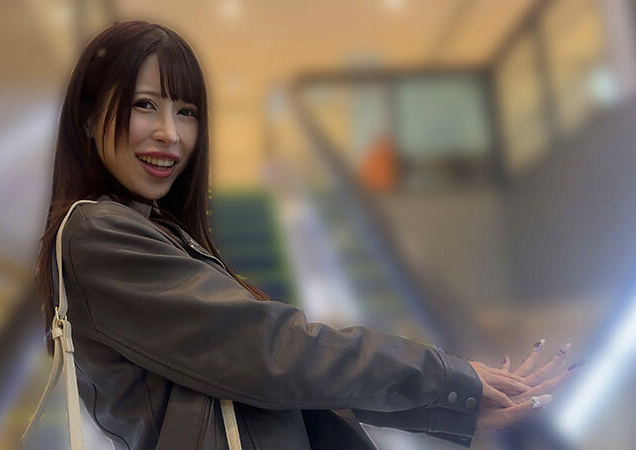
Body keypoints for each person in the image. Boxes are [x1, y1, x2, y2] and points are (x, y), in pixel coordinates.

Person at [35, 20, 578, 449]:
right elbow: (274, 351)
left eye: (187, 111)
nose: (170, 134)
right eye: (144, 105)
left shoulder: (159, 233)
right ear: (88, 118)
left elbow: (278, 373)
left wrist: (448, 406)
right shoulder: (97, 233)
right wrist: (444, 378)